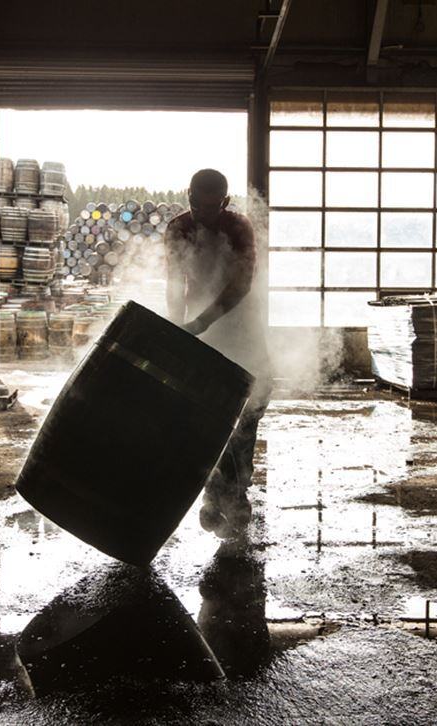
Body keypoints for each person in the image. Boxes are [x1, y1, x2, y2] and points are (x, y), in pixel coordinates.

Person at [165, 169, 272, 538]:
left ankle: (238, 495)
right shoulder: (178, 228)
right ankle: (213, 492)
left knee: (247, 412)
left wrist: (202, 322)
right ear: (188, 195)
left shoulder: (238, 228)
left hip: (241, 327)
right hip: (200, 330)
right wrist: (174, 329)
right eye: (195, 204)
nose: (201, 214)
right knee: (206, 416)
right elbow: (174, 282)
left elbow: (241, 283)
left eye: (210, 208)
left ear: (224, 203)